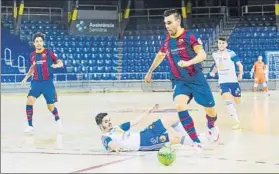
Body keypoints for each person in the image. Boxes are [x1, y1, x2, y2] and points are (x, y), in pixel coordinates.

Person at [144, 9, 219, 152]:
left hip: (196, 79)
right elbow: (160, 55)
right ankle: (196, 141)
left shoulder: (189, 36)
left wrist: (189, 62)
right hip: (179, 81)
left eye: (170, 23)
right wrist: (150, 71)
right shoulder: (167, 40)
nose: (167, 26)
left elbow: (202, 54)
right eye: (165, 23)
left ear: (178, 21)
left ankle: (211, 126)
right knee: (179, 105)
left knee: (211, 111)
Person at [96, 104, 199, 153]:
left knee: (170, 118)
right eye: (106, 121)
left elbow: (135, 121)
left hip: (144, 133)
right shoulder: (105, 137)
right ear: (101, 125)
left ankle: (193, 137)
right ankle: (198, 141)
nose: (109, 123)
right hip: (145, 143)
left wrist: (148, 111)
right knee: (174, 139)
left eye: (109, 120)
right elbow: (110, 144)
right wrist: (116, 148)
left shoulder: (117, 128)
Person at [21, 32, 64, 133]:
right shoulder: (32, 55)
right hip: (36, 82)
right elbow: (32, 67)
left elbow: (59, 62)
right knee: (29, 101)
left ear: (43, 42)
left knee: (50, 107)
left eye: (40, 41)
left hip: (47, 83)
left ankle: (58, 119)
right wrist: (26, 77)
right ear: (34, 43)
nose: (39, 43)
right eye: (37, 41)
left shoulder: (49, 52)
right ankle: (30, 126)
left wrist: (57, 65)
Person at [210, 37, 243, 130]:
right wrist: (213, 71)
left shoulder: (231, 53)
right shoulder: (215, 54)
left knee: (238, 102)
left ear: (226, 44)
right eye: (219, 43)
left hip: (233, 81)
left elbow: (240, 65)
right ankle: (236, 122)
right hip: (223, 82)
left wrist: (240, 74)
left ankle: (236, 105)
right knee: (228, 101)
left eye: (223, 43)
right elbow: (218, 64)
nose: (221, 45)